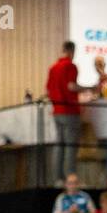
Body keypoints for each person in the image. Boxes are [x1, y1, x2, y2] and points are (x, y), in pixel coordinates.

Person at [46, 41, 81, 183]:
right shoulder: (70, 66)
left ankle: (58, 178)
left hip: (57, 111)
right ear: (72, 51)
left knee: (59, 146)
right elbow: (71, 86)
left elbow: (48, 90)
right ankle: (70, 178)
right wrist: (88, 88)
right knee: (70, 147)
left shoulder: (53, 68)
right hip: (70, 110)